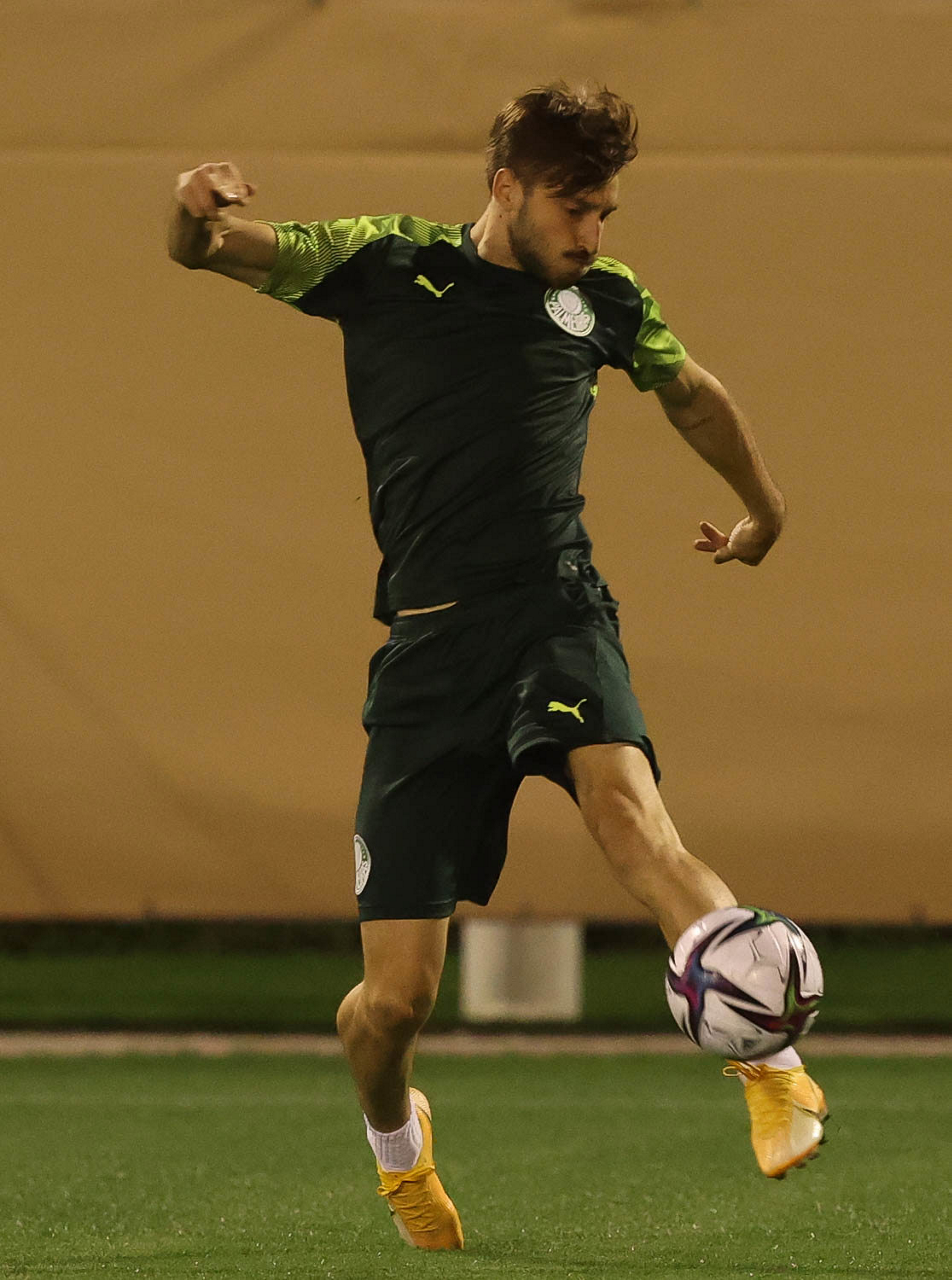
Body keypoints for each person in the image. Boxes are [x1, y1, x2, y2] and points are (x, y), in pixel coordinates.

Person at [169, 82, 827, 1251]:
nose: (593, 233)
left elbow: (692, 396)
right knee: (394, 1001)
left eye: (606, 210)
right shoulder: (382, 263)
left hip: (554, 614)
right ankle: (398, 1144)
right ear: (505, 188)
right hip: (428, 652)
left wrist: (765, 513)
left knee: (635, 824)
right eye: (575, 207)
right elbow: (207, 251)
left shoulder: (603, 301)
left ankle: (770, 1058)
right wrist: (191, 209)